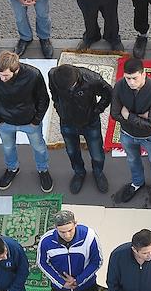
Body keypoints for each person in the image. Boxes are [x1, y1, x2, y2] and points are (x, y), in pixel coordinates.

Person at [0, 51, 53, 193]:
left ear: (15, 70)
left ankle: (43, 170)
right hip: (4, 121)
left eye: (5, 75)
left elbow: (43, 99)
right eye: (0, 74)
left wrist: (36, 120)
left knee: (39, 148)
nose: (2, 78)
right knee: (8, 148)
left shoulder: (33, 75)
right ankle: (12, 168)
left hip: (29, 121)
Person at [38, 210, 108, 291]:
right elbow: (42, 263)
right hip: (61, 286)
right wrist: (61, 282)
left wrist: (79, 280)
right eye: (62, 232)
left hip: (86, 284)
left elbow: (97, 261)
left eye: (70, 230)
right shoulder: (46, 241)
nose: (67, 235)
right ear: (55, 228)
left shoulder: (89, 236)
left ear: (76, 223)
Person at [48, 63, 112, 194]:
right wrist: (58, 106)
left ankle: (98, 172)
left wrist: (97, 110)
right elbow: (53, 92)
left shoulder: (92, 79)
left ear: (76, 80)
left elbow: (109, 93)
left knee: (97, 153)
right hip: (67, 122)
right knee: (72, 152)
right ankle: (79, 173)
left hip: (90, 122)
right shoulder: (53, 75)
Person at [111, 57, 151, 205]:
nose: (131, 82)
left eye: (134, 78)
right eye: (127, 78)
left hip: (149, 137)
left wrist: (128, 115)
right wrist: (141, 117)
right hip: (127, 134)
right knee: (132, 160)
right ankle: (137, 183)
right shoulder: (120, 86)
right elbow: (114, 114)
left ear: (143, 74)